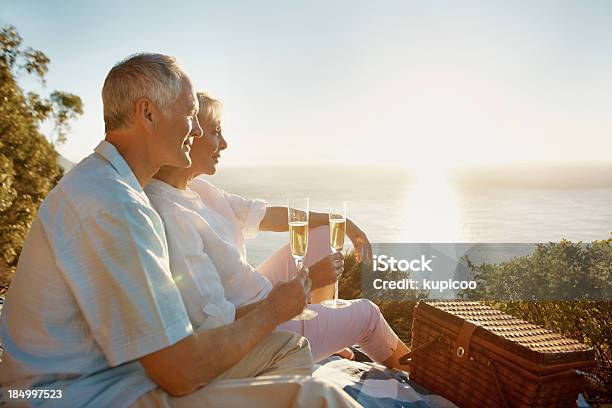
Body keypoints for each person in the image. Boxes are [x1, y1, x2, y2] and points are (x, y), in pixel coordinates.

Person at [0, 54, 359, 408]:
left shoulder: (107, 184)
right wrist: (271, 311)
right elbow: (179, 371)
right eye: (189, 114)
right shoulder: (114, 205)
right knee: (318, 398)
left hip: (113, 376)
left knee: (287, 347)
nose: (198, 130)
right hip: (72, 396)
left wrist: (271, 311)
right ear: (148, 114)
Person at [145, 92, 411, 369]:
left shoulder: (198, 189)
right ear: (190, 133)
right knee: (368, 315)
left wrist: (338, 220)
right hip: (258, 326)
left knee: (320, 234)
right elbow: (216, 325)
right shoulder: (170, 214)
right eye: (215, 132)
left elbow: (267, 215)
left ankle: (322, 337)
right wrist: (307, 283)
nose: (224, 143)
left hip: (254, 292)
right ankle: (415, 373)